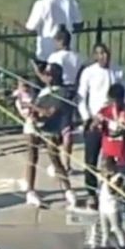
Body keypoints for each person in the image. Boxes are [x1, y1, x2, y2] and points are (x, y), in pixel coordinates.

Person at [77, 43, 125, 204]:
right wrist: (87, 118)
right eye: (100, 53)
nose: (103, 56)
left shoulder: (118, 71)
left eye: (105, 53)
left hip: (113, 122)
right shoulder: (88, 72)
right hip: (94, 121)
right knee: (91, 158)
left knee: (112, 158)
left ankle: (112, 189)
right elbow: (81, 97)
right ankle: (91, 192)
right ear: (95, 56)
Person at [27, 63, 77, 208]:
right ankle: (30, 191)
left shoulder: (62, 93)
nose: (45, 76)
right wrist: (33, 114)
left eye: (48, 73)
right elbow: (36, 113)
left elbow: (50, 112)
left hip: (51, 129)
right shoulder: (42, 92)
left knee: (55, 158)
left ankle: (68, 190)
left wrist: (32, 107)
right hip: (36, 127)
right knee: (32, 157)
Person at [96, 83, 125, 233]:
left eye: (118, 101)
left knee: (124, 193)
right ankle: (112, 223)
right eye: (112, 101)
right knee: (107, 193)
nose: (115, 104)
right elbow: (95, 128)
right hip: (108, 159)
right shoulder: (104, 112)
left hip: (124, 158)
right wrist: (96, 123)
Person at [25, 0, 82, 67]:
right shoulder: (70, 2)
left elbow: (30, 28)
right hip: (68, 52)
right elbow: (79, 24)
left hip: (46, 53)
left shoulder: (41, 4)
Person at [45, 27, 81, 174]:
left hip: (59, 90)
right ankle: (67, 162)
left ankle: (58, 162)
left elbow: (49, 75)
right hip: (72, 91)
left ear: (60, 41)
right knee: (68, 129)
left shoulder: (55, 57)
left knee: (56, 128)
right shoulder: (78, 57)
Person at [97, 157, 125, 248]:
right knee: (105, 230)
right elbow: (99, 190)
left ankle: (124, 247)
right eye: (102, 167)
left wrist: (106, 179)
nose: (103, 169)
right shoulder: (104, 177)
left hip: (112, 208)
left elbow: (112, 191)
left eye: (106, 166)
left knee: (117, 228)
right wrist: (101, 180)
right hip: (103, 207)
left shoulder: (118, 177)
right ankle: (104, 247)